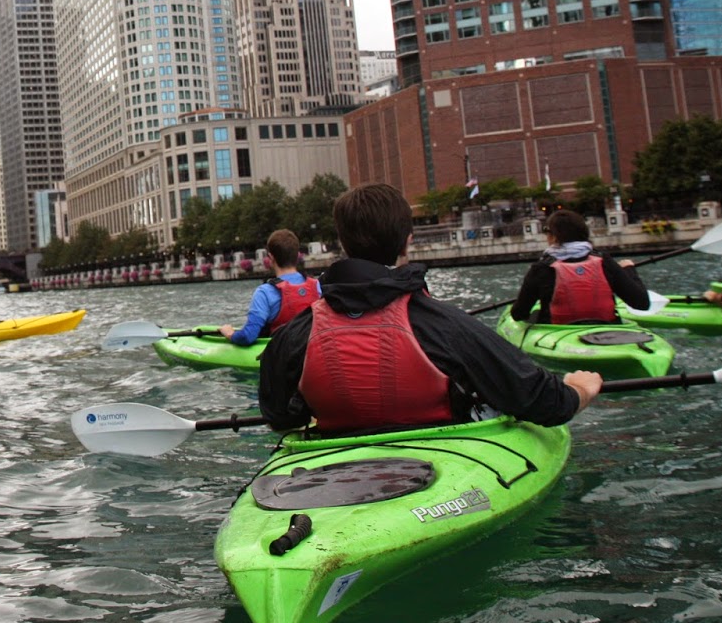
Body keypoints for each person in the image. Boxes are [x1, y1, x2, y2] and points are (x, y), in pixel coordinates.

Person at [258, 183, 602, 435]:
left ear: (343, 244)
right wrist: (579, 390)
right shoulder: (444, 325)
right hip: (442, 457)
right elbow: (542, 401)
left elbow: (279, 417)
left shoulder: (294, 335)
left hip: (332, 468)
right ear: (408, 240)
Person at [511, 208, 651, 324]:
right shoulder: (604, 261)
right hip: (607, 329)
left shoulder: (541, 268)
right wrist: (629, 270)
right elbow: (642, 303)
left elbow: (518, 314)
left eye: (547, 232)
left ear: (553, 237)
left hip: (558, 333)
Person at [217, 228, 321, 345]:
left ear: (271, 258)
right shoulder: (316, 286)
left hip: (283, 354)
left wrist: (230, 333)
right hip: (313, 350)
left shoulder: (265, 292)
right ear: (297, 256)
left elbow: (248, 336)